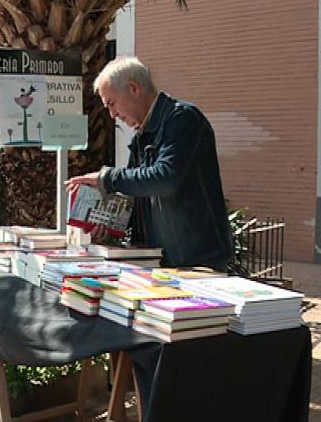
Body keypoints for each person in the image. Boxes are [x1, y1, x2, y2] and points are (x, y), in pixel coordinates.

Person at [66, 56, 234, 272]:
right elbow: (139, 194)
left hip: (196, 261)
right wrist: (109, 225)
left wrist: (106, 178)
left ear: (134, 88)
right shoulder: (141, 136)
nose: (112, 114)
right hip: (158, 260)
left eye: (112, 103)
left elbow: (165, 178)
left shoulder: (183, 119)